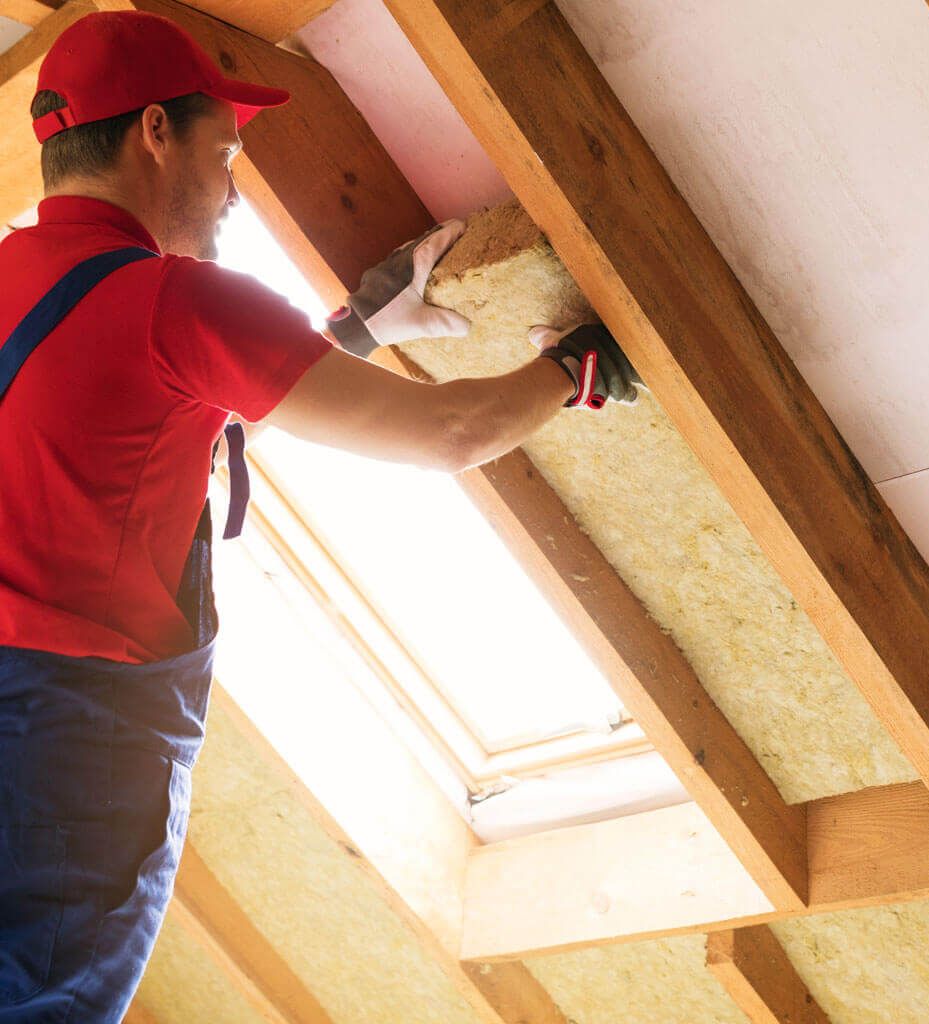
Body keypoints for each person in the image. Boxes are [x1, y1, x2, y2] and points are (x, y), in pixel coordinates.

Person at [0, 10, 641, 1022]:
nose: (230, 188)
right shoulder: (183, 302)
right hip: (69, 749)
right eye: (226, 152)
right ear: (154, 132)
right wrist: (574, 368)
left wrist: (349, 333)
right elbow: (451, 434)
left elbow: (127, 426)